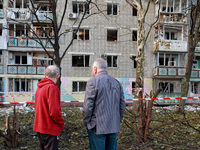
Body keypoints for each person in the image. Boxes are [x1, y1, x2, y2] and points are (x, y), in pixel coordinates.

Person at [83, 58, 126, 150]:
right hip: (113, 126)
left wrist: (86, 122)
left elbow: (88, 106)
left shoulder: (93, 82)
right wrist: (117, 120)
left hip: (97, 126)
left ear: (95, 69)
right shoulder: (117, 82)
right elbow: (122, 105)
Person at [34, 65, 64, 150]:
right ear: (58, 76)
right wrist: (61, 123)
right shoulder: (52, 88)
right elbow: (54, 111)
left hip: (40, 127)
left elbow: (36, 107)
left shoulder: (39, 87)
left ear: (45, 74)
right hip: (50, 128)